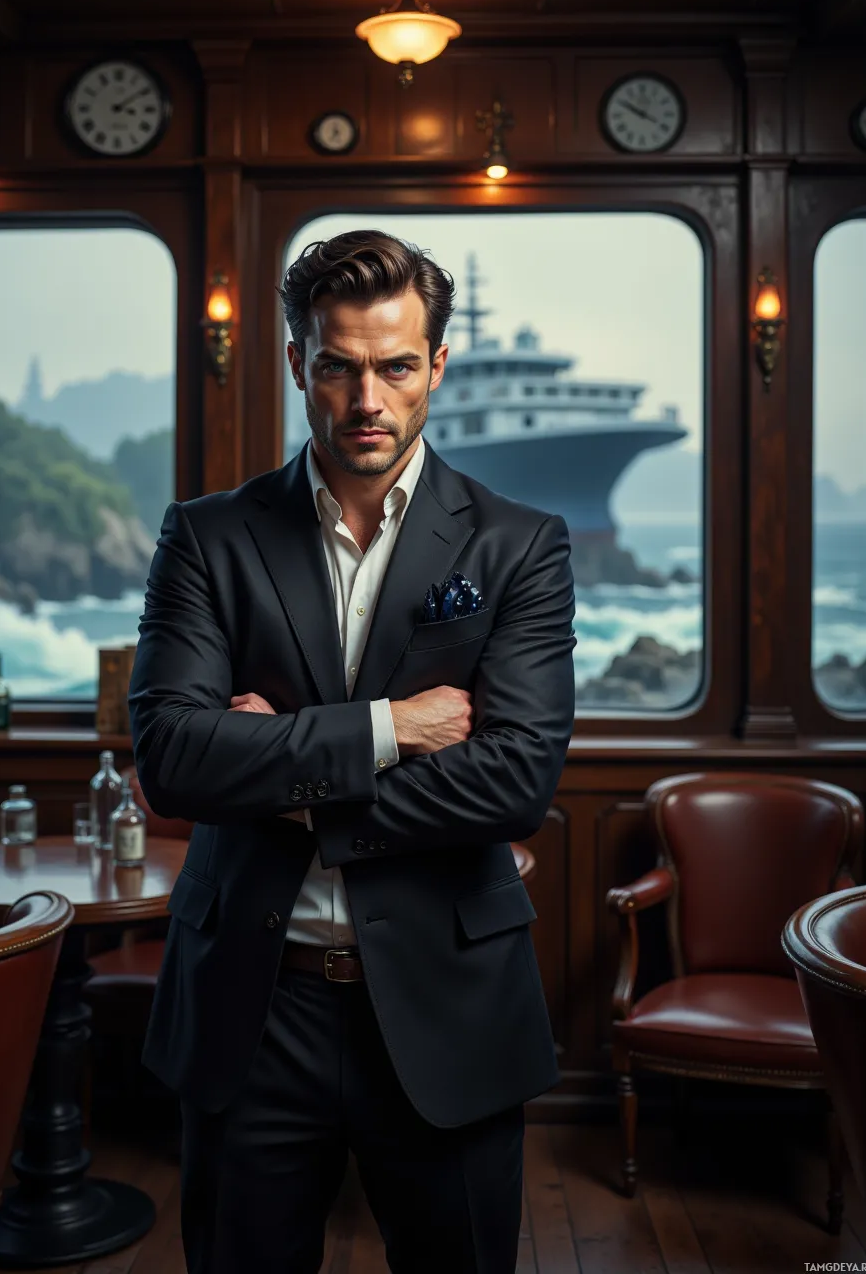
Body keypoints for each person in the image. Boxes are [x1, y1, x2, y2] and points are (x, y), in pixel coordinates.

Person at [129, 229, 576, 1274]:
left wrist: (284, 776)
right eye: (337, 366)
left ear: (437, 367)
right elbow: (173, 758)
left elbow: (516, 778)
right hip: (251, 1001)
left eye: (394, 366)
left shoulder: (518, 541)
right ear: (298, 365)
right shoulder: (208, 536)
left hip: (448, 1005)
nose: (366, 398)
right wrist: (392, 728)